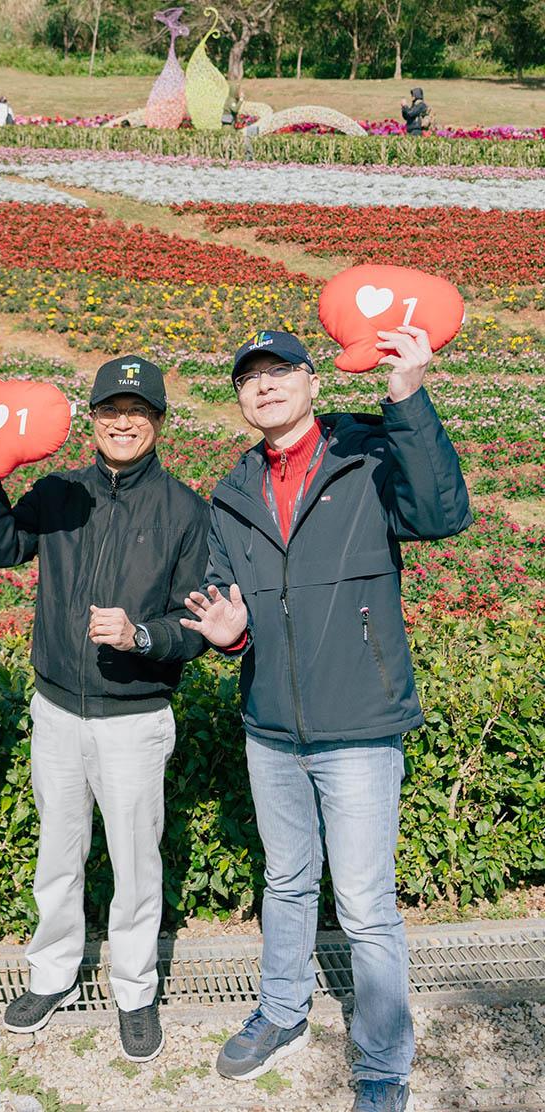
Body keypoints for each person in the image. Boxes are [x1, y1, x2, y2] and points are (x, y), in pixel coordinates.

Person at [180, 327, 471, 1112]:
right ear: (239, 398)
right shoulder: (235, 489)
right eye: (250, 377)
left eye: (280, 372)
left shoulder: (368, 456)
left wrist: (407, 396)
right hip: (270, 722)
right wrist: (226, 633)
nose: (264, 386)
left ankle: (381, 1065)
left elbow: (443, 513)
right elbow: (222, 596)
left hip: (358, 719)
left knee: (368, 903)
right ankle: (281, 1011)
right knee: (285, 879)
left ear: (313, 382)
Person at [0, 357, 209, 1063]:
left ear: (158, 422)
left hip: (135, 715)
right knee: (59, 852)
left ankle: (134, 990)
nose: (122, 422)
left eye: (136, 411)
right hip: (60, 707)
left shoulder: (187, 511)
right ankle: (53, 972)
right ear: (91, 419)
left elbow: (194, 627)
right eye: (109, 410)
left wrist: (142, 636)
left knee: (135, 862)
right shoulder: (60, 491)